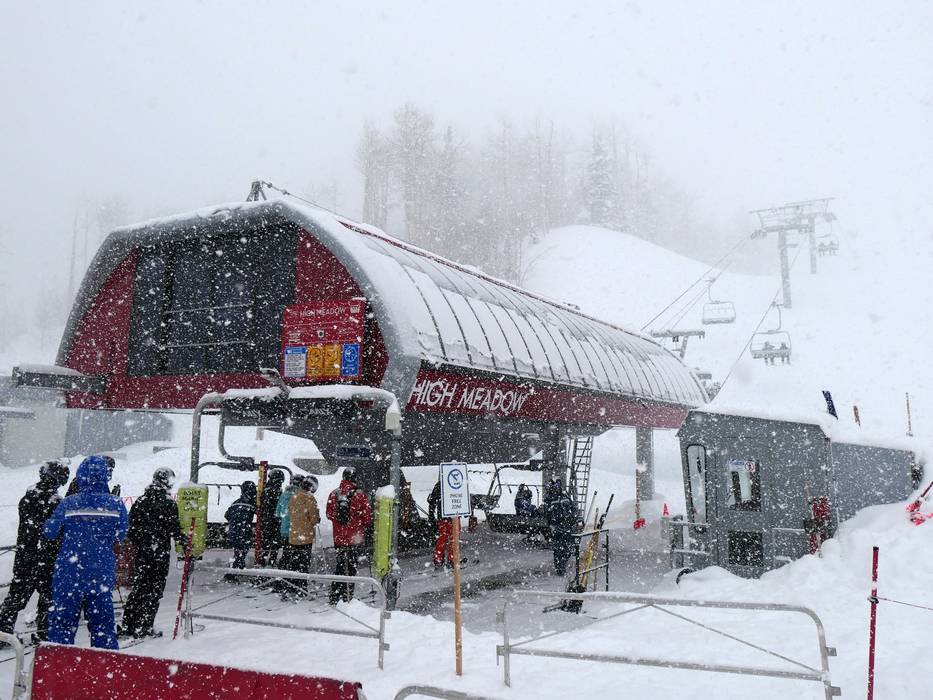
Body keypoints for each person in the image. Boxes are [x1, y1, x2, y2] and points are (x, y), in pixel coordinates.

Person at [43, 455, 128, 649]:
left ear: (80, 476)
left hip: (69, 573)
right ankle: (104, 663)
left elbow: (49, 532)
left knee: (62, 625)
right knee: (103, 626)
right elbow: (120, 535)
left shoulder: (68, 503)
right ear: (105, 475)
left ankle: (60, 661)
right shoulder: (116, 504)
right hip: (100, 574)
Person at [0, 460, 70, 644]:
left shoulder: (27, 498)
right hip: (48, 556)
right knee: (48, 596)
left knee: (17, 595)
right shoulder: (56, 503)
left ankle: (3, 632)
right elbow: (58, 531)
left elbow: (30, 528)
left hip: (26, 555)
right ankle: (45, 632)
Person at [118, 469, 185, 639]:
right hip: (159, 553)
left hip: (142, 552)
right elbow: (175, 530)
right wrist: (185, 542)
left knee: (139, 588)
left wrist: (143, 541)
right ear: (168, 482)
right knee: (154, 590)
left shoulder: (141, 501)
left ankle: (128, 624)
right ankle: (145, 625)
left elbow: (131, 529)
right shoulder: (168, 503)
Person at [326, 468, 372, 604]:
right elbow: (367, 518)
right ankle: (347, 596)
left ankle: (335, 595)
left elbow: (329, 514)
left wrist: (340, 524)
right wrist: (357, 523)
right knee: (351, 568)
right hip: (354, 539)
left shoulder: (334, 493)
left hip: (339, 538)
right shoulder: (360, 495)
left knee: (340, 565)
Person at [286, 475, 320, 596]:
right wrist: (317, 518)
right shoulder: (309, 498)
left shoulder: (294, 496)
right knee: (304, 564)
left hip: (294, 535)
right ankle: (301, 588)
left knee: (294, 563)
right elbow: (314, 518)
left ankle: (291, 586)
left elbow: (290, 512)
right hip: (305, 536)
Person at [543, 477, 578, 576]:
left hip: (568, 526)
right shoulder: (549, 498)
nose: (556, 487)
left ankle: (562, 564)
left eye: (558, 485)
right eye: (554, 485)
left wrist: (573, 517)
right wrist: (552, 524)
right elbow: (547, 514)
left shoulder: (565, 496)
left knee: (568, 549)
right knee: (558, 549)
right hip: (557, 527)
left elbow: (573, 508)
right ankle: (559, 568)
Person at [225, 481, 257, 575]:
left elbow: (227, 515)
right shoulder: (252, 504)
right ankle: (235, 570)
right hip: (244, 531)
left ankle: (236, 569)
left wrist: (235, 521)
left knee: (237, 550)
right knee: (243, 550)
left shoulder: (236, 502)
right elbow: (260, 514)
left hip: (234, 530)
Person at [258, 470, 285, 567]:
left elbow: (262, 506)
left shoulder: (266, 490)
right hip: (276, 521)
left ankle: (262, 562)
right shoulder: (277, 491)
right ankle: (271, 562)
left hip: (266, 521)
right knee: (275, 544)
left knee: (266, 543)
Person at [275, 473, 301, 572]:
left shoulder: (284, 495)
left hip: (284, 529)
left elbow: (277, 513)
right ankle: (291, 573)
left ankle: (282, 572)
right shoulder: (300, 496)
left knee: (286, 552)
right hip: (296, 529)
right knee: (295, 554)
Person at [427, 480, 456, 570]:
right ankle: (450, 559)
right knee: (451, 538)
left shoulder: (440, 484)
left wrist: (431, 515)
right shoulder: (455, 483)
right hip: (451, 516)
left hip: (445, 517)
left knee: (444, 538)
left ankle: (440, 559)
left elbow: (432, 501)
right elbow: (432, 501)